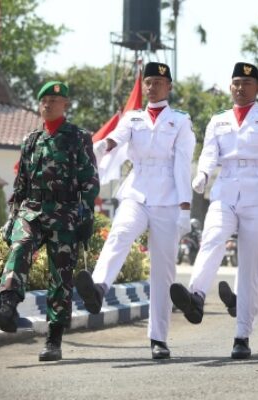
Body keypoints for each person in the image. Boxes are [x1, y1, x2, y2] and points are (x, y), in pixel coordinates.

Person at [77, 62, 195, 359]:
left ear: (169, 87)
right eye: (149, 82)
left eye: (158, 82)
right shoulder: (134, 117)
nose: (152, 87)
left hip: (168, 196)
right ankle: (99, 288)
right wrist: (103, 146)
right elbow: (118, 138)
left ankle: (159, 338)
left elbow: (182, 165)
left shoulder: (180, 121)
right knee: (120, 233)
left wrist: (184, 208)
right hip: (138, 189)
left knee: (163, 270)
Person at [169, 62, 258, 359]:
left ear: (257, 88)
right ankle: (195, 296)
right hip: (226, 187)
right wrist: (204, 175)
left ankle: (242, 334)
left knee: (250, 266)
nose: (239, 87)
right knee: (212, 237)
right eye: (235, 82)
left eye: (246, 83)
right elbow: (209, 154)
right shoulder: (218, 120)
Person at [0, 81, 99, 361]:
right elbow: (21, 184)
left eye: (53, 100)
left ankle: (53, 339)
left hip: (66, 213)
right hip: (33, 210)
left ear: (65, 105)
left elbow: (90, 180)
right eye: (44, 99)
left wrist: (87, 214)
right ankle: (8, 308)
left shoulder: (78, 137)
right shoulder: (30, 140)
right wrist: (13, 217)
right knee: (20, 246)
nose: (47, 104)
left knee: (60, 275)